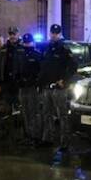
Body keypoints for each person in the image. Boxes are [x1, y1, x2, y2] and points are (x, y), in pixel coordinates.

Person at [38, 24, 77, 163]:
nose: (54, 35)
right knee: (46, 114)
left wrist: (64, 80)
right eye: (52, 33)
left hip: (59, 88)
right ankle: (47, 138)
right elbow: (44, 67)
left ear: (60, 33)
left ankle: (64, 142)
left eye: (56, 33)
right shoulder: (48, 48)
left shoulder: (64, 48)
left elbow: (73, 66)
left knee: (62, 115)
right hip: (47, 87)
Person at [18, 33, 43, 146]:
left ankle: (35, 136)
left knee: (34, 113)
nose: (27, 44)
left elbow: (41, 72)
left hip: (33, 88)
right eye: (25, 42)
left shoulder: (37, 55)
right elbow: (16, 70)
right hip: (23, 88)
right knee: (25, 112)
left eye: (29, 42)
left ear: (32, 42)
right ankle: (27, 135)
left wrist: (36, 83)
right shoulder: (20, 55)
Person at [0, 26, 24, 118]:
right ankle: (7, 130)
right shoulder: (4, 49)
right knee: (6, 110)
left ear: (18, 34)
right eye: (11, 34)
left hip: (18, 83)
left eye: (14, 34)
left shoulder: (22, 47)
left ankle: (19, 131)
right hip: (6, 83)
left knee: (19, 110)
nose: (12, 36)